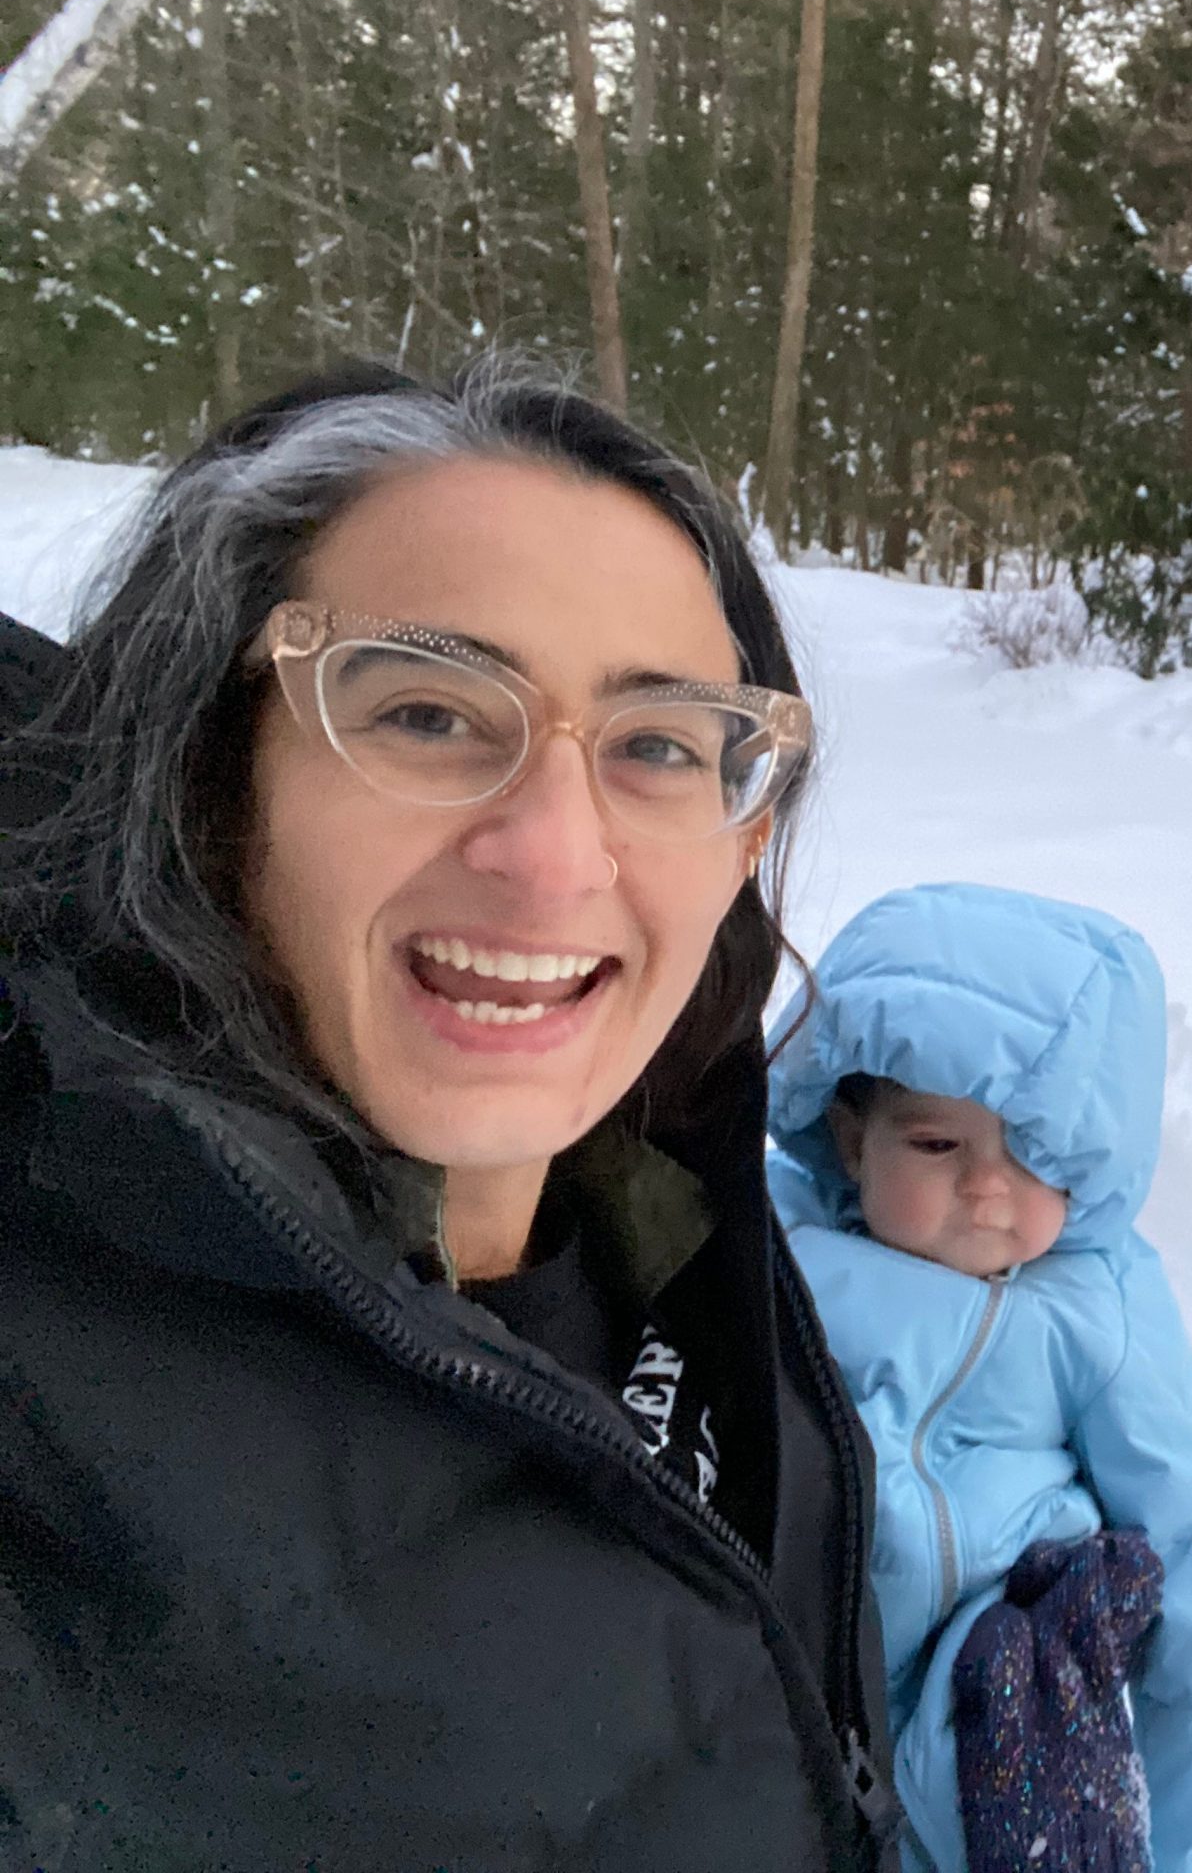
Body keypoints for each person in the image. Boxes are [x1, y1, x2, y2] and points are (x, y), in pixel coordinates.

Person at [0, 363, 897, 1869]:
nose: (554, 857)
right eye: (424, 710)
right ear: (212, 775)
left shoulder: (670, 1195)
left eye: (662, 743)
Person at [765, 883, 1192, 1873]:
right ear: (853, 1142)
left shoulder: (1085, 1306)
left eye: (1039, 1153)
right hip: (780, 1688)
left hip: (991, 1727)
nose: (988, 1188)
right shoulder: (774, 1236)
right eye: (938, 1143)